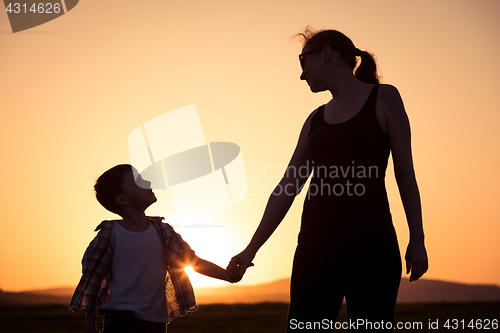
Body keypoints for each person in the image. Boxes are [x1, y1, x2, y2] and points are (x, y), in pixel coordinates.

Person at [228, 27, 428, 331]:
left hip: (372, 247)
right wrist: (251, 248)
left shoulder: (384, 97)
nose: (301, 75)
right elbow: (287, 188)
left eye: (302, 62)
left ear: (325, 54)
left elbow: (405, 171)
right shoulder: (315, 119)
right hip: (315, 249)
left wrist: (418, 238)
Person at [69, 164, 240, 333]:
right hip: (120, 321)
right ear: (123, 200)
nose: (148, 183)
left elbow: (191, 261)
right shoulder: (110, 234)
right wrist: (90, 326)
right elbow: (93, 277)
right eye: (138, 181)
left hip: (156, 321)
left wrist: (228, 275)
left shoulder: (163, 231)